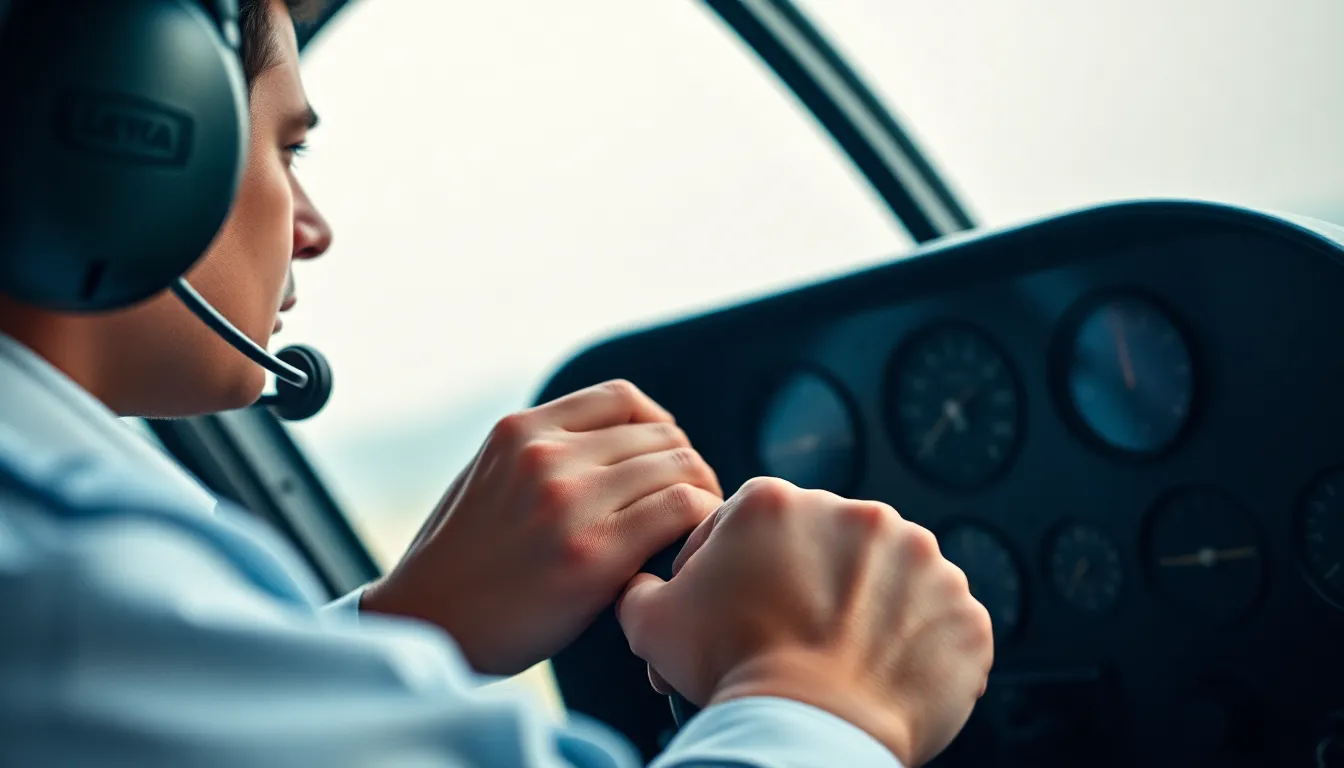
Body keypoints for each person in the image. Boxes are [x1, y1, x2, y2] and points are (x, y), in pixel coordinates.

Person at [0, 1, 994, 766]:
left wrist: (403, 632)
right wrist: (819, 696)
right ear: (133, 131)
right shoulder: (59, 582)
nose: (312, 226)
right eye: (286, 147)